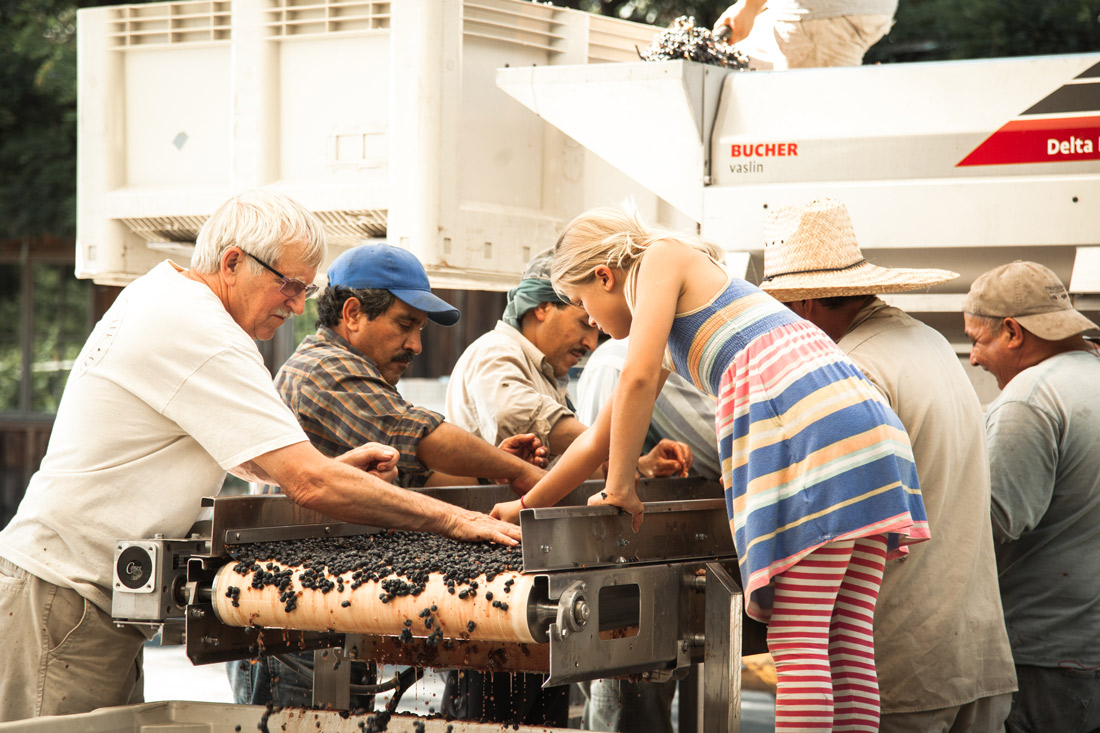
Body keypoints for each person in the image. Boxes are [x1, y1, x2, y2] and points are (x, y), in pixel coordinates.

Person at [0, 190, 519, 723]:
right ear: (232, 263)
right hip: (63, 600)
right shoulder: (203, 331)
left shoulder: (164, 296)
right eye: (289, 285)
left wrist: (332, 470)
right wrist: (456, 521)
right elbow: (307, 483)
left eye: (305, 289)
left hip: (81, 601)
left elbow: (250, 457)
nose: (297, 306)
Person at [518, 206, 930, 731]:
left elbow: (636, 380)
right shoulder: (685, 305)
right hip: (866, 432)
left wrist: (621, 487)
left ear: (605, 276)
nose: (591, 321)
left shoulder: (660, 259)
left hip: (810, 436)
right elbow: (602, 433)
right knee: (844, 634)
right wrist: (529, 503)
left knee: (797, 637)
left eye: (583, 303)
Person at [230, 243, 549, 708]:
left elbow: (418, 477)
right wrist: (518, 472)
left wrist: (489, 476)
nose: (416, 346)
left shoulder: (365, 379)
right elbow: (421, 435)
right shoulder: (324, 368)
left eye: (419, 330)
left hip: (332, 603)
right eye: (405, 325)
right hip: (291, 618)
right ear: (353, 313)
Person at [760, 198, 1016, 732]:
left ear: (803, 303)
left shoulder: (853, 369)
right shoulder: (924, 341)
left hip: (902, 663)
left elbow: (829, 518)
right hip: (976, 651)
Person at [442, 248, 691, 727]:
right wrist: (629, 463)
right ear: (543, 308)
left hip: (527, 564)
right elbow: (553, 429)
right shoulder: (498, 354)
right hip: (496, 572)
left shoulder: (544, 371)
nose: (591, 338)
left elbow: (575, 448)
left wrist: (637, 465)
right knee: (491, 710)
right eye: (583, 319)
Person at [963, 260, 1100, 733]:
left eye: (977, 341)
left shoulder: (1030, 399)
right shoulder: (1092, 375)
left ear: (1012, 332)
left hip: (1043, 654)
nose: (974, 358)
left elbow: (995, 521)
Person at [574, 336, 720, 733]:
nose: (588, 327)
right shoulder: (613, 365)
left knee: (639, 694)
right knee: (623, 693)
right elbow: (597, 466)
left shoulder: (634, 360)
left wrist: (643, 467)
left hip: (637, 563)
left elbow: (602, 459)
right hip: (620, 569)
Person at [713, 0, 895, 70]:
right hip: (848, 12)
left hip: (820, 15)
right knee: (741, 58)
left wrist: (749, 5)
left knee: (810, 118)